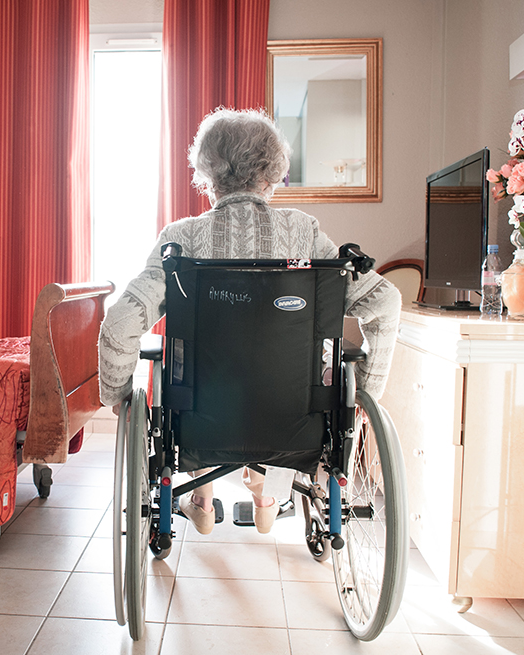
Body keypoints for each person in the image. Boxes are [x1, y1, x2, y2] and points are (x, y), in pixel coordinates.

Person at [98, 108, 401, 534]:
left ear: (207, 172)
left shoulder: (180, 239)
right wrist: (365, 397)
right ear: (272, 173)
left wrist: (116, 397)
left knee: (195, 377)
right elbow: (385, 302)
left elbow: (120, 323)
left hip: (201, 421)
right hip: (296, 420)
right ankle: (265, 493)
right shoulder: (304, 232)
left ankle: (201, 496)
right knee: (276, 377)